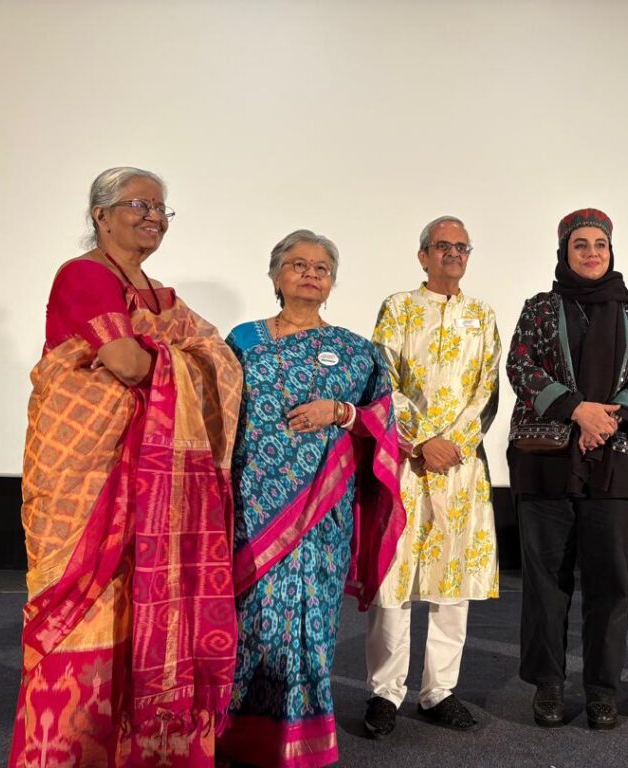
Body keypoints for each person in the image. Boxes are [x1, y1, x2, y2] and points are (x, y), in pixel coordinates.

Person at [10, 167, 243, 767]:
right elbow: (128, 364)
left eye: (162, 209)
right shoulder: (83, 275)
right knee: (77, 619)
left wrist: (157, 350)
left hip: (152, 486)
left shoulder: (161, 296)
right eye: (139, 204)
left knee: (139, 616)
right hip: (84, 480)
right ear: (100, 214)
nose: (153, 216)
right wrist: (168, 353)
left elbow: (219, 356)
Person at [217, 230, 406, 767]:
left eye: (321, 268)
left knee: (313, 620)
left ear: (332, 282)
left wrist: (341, 413)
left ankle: (299, 739)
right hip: (253, 504)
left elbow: (387, 422)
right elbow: (219, 412)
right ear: (275, 276)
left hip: (323, 512)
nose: (309, 273)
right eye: (297, 264)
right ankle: (239, 734)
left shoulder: (357, 350)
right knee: (253, 618)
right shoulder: (242, 341)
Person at [506, 208, 628, 730]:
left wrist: (610, 417)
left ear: (611, 250)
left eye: (600, 243)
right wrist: (577, 409)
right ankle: (548, 686)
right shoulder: (539, 307)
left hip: (615, 463)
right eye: (581, 245)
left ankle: (601, 689)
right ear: (564, 251)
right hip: (547, 464)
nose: (592, 252)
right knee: (545, 582)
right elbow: (520, 366)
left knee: (610, 582)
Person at [364, 215, 501, 736]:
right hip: (405, 462)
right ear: (422, 255)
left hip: (461, 471)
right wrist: (420, 440)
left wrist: (454, 445)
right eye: (443, 246)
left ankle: (438, 691)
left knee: (452, 583)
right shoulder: (399, 309)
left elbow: (487, 390)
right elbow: (383, 377)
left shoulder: (482, 315)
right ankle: (385, 693)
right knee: (394, 580)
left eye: (462, 247)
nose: (453, 254)